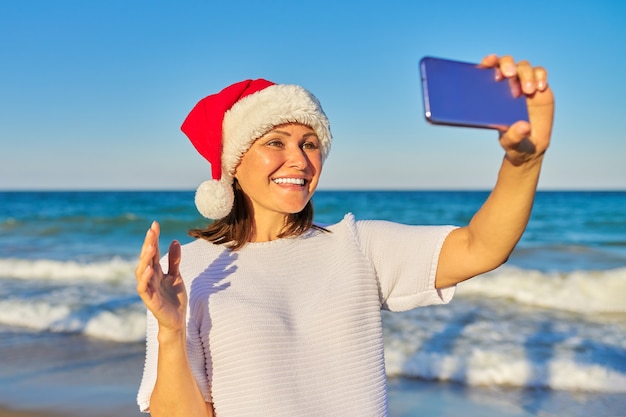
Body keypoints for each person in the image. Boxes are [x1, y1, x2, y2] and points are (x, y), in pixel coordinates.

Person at [135, 54, 554, 417]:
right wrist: (170, 330)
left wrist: (525, 162)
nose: (298, 160)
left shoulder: (356, 247)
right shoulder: (188, 269)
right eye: (275, 142)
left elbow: (482, 247)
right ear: (233, 165)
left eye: (311, 143)